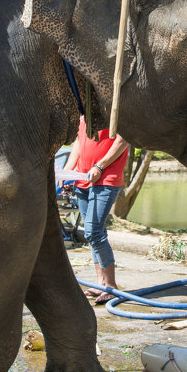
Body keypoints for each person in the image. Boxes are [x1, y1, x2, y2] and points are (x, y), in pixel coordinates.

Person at [63, 116, 129, 305]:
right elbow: (79, 140)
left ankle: (111, 286)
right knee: (93, 234)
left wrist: (100, 166)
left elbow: (124, 139)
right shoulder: (85, 111)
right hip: (82, 178)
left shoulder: (114, 107)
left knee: (93, 231)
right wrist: (69, 170)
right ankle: (100, 283)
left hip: (106, 178)